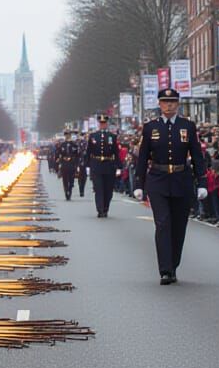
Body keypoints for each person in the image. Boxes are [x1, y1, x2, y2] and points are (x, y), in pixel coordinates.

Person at [132, 88, 208, 285]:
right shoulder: (150, 128)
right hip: (158, 179)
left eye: (172, 101)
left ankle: (173, 264)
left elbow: (197, 156)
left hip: (182, 179)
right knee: (163, 224)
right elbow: (142, 158)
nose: (169, 105)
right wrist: (139, 183)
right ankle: (165, 270)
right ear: (159, 104)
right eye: (165, 101)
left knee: (178, 226)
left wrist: (202, 182)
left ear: (178, 103)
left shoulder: (188, 126)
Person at [85, 114, 119, 217]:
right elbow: (88, 151)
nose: (102, 125)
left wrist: (118, 167)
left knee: (108, 189)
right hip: (96, 164)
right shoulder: (93, 136)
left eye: (104, 123)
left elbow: (115, 152)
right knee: (98, 188)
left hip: (109, 165)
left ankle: (105, 208)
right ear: (99, 124)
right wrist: (87, 166)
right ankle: (100, 210)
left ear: (107, 124)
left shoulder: (112, 137)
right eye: (101, 123)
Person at [56, 131, 80, 200]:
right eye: (66, 135)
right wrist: (59, 162)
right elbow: (58, 154)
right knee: (65, 179)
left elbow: (77, 155)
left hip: (72, 163)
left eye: (68, 135)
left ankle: (70, 189)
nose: (67, 136)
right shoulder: (62, 145)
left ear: (70, 136)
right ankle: (66, 191)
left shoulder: (74, 145)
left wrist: (76, 163)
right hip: (64, 163)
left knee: (71, 179)